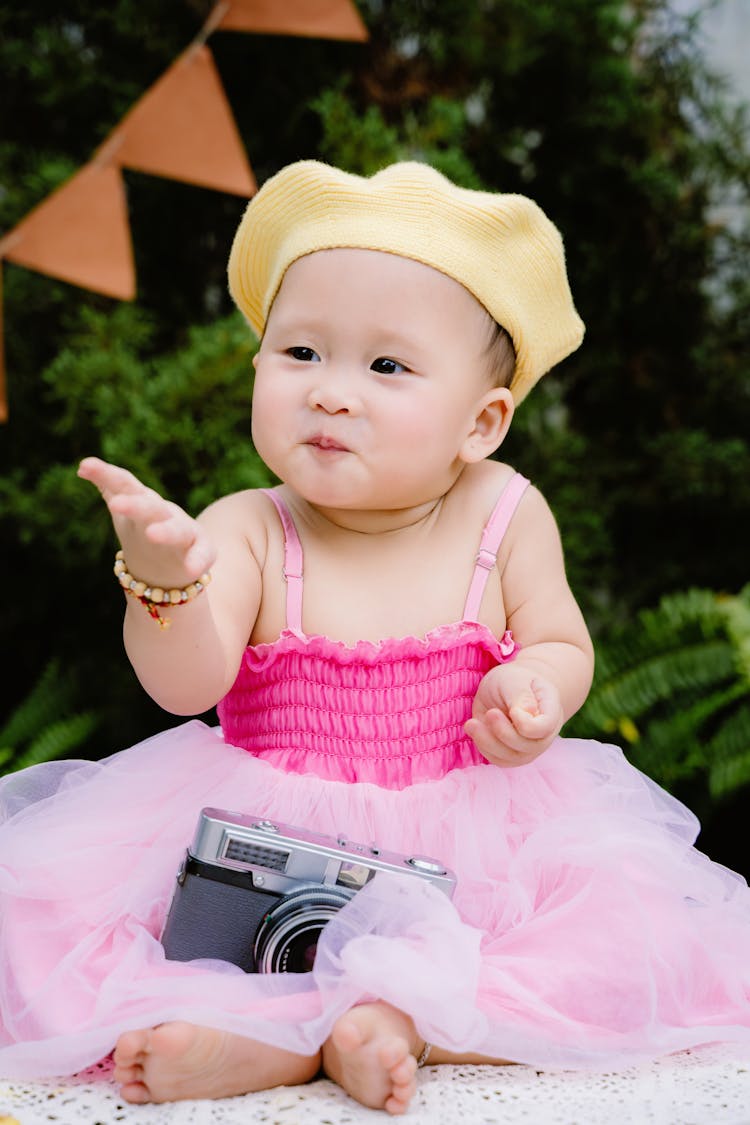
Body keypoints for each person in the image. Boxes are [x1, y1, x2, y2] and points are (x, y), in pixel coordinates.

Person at [1, 161, 749, 1117]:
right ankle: (270, 1039)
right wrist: (169, 582)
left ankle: (400, 1023)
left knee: (618, 939)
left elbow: (562, 638)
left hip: (472, 843)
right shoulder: (248, 528)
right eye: (301, 352)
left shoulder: (505, 514)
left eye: (385, 366)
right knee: (53, 925)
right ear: (259, 364)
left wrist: (540, 690)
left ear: (482, 422)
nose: (332, 393)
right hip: (271, 834)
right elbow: (186, 686)